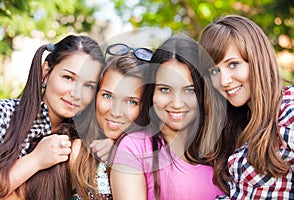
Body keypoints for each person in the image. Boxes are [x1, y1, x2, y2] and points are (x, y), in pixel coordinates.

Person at [109, 36, 224, 200]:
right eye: (165, 89)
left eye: (189, 90)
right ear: (152, 91)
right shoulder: (133, 148)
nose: (176, 103)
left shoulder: (219, 146)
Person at [199, 15, 294, 199]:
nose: (224, 81)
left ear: (257, 59)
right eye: (214, 71)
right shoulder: (240, 122)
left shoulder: (292, 114)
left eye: (233, 64)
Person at [0, 35, 105, 199]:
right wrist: (35, 160)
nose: (76, 93)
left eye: (88, 85)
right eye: (68, 78)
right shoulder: (6, 114)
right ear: (46, 72)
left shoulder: (85, 139)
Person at [71, 43, 151, 199]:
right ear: (95, 94)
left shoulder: (156, 153)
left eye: (131, 101)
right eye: (108, 96)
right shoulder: (74, 149)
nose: (115, 112)